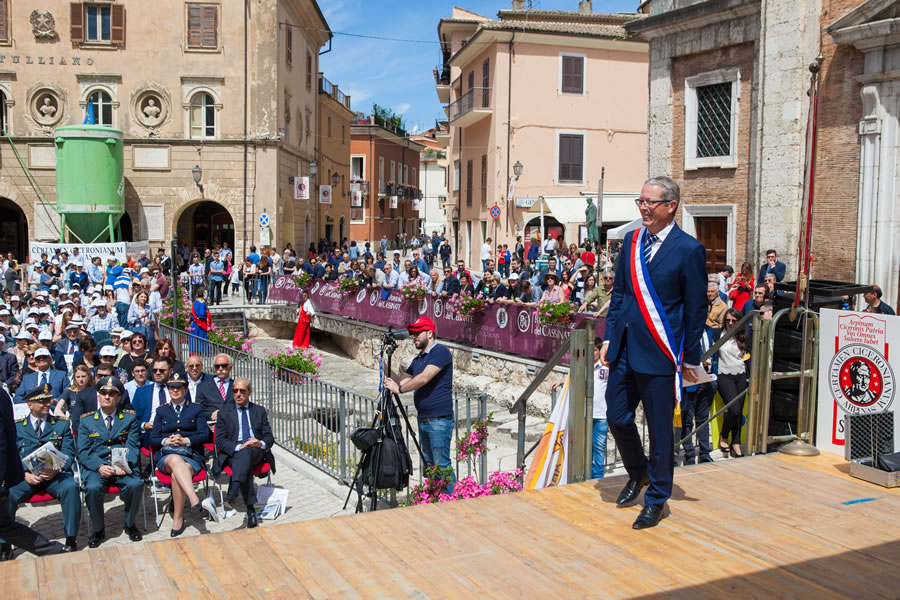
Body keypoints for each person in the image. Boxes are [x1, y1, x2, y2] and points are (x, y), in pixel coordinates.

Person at [600, 175, 707, 530]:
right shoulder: (632, 241)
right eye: (641, 201)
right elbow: (619, 295)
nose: (643, 208)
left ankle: (657, 499)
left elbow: (695, 309)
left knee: (661, 431)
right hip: (625, 348)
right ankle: (639, 472)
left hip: (661, 353)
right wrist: (608, 338)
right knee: (616, 415)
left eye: (650, 202)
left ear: (670, 206)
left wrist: (690, 357)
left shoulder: (688, 249)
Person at [0, 385, 81, 558]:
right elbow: (12, 452)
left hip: (55, 475)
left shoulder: (61, 425)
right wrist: (24, 473)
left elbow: (69, 452)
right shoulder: (18, 427)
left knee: (71, 488)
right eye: (42, 401)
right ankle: (4, 545)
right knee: (8, 495)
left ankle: (71, 539)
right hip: (26, 477)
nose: (47, 404)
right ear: (29, 405)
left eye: (48, 400)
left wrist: (57, 469)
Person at [384, 316, 455, 493]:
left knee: (442, 465)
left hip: (439, 419)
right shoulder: (418, 360)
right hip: (424, 419)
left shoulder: (440, 352)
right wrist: (382, 363)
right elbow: (401, 381)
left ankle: (452, 500)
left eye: (417, 333)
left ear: (429, 333)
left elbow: (423, 378)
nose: (414, 337)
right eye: (413, 333)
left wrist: (399, 390)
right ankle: (436, 498)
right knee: (430, 465)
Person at [149, 373, 219, 536]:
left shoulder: (196, 409)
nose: (175, 391)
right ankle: (193, 498)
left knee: (176, 475)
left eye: (179, 387)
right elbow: (153, 439)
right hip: (167, 456)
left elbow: (205, 435)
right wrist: (167, 441)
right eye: (172, 388)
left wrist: (185, 440)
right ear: (168, 390)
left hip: (191, 455)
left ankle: (178, 519)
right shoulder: (161, 410)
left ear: (185, 389)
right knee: (174, 459)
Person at [78, 376, 143, 548]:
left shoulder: (129, 418)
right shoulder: (86, 420)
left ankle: (130, 524)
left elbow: (133, 445)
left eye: (112, 394)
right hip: (97, 466)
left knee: (136, 484)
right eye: (103, 393)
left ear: (118, 398)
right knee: (92, 488)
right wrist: (99, 466)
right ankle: (98, 529)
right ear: (98, 396)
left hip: (122, 465)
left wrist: (123, 464)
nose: (107, 396)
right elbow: (83, 450)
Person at [213, 378, 275, 529]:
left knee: (246, 454)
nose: (238, 394)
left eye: (242, 391)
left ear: (250, 392)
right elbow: (219, 441)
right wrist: (239, 446)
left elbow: (269, 437)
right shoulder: (224, 413)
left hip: (256, 451)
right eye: (235, 391)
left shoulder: (259, 411)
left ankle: (233, 491)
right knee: (243, 456)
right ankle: (250, 509)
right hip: (234, 452)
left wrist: (260, 443)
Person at [681, 324, 717, 465]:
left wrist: (714, 371)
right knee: (687, 420)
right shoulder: (687, 329)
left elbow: (713, 352)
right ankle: (689, 454)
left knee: (703, 419)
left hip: (708, 379)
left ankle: (704, 453)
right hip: (692, 380)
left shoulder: (709, 330)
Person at [716, 309, 748, 458]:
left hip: (741, 375)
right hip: (724, 375)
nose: (730, 323)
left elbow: (748, 356)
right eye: (728, 320)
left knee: (739, 412)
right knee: (734, 409)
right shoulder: (718, 334)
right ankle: (724, 436)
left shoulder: (744, 336)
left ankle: (736, 442)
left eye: (734, 321)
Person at [196, 354, 234, 421]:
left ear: (230, 367)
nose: (220, 369)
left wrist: (222, 413)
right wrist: (212, 415)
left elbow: (242, 405)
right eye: (217, 366)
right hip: (212, 424)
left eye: (224, 366)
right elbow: (199, 410)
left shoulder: (237, 386)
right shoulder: (202, 387)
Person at [189, 287, 211, 354]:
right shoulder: (203, 303)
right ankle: (203, 351)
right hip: (201, 322)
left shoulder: (195, 303)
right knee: (202, 336)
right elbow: (202, 313)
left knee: (195, 336)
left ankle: (195, 351)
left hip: (195, 322)